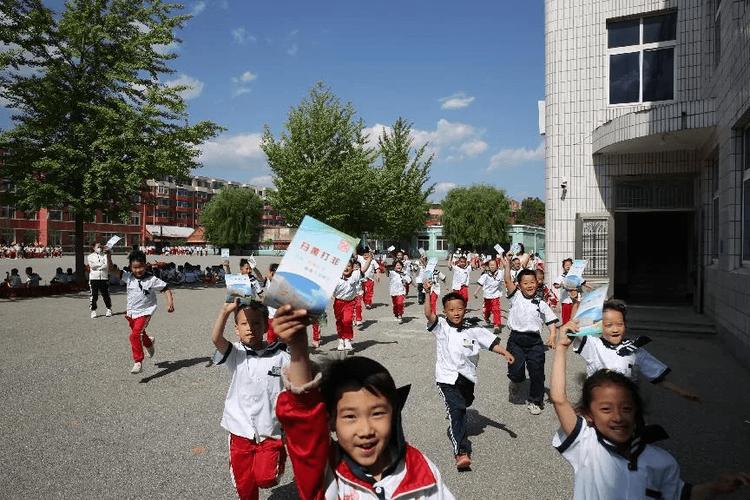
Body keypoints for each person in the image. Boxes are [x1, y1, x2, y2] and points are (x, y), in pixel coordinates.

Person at [272, 305, 456, 499]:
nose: (366, 430)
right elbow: (303, 419)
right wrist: (298, 348)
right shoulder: (325, 472)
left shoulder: (420, 470)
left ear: (394, 413)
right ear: (330, 421)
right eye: (350, 416)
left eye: (377, 413)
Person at [550, 335, 749, 499]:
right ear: (588, 415)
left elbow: (681, 494)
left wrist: (715, 487)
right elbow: (559, 399)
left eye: (626, 408)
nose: (618, 416)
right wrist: (560, 349)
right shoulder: (587, 445)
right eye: (606, 409)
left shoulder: (662, 461)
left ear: (637, 412)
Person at [420, 287, 514, 470]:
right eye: (451, 310)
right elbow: (428, 314)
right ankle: (461, 452)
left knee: (466, 402)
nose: (456, 313)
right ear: (445, 311)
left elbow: (491, 343)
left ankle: (455, 409)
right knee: (458, 410)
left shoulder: (474, 329)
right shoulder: (441, 326)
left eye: (459, 309)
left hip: (467, 377)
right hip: (446, 378)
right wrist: (427, 294)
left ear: (465, 309)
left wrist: (505, 353)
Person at [211, 299, 289, 500]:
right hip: (239, 430)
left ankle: (278, 460)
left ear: (265, 326)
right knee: (244, 484)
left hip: (270, 430)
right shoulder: (235, 353)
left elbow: (300, 373)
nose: (250, 329)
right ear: (236, 329)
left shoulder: (280, 354)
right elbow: (216, 339)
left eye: (256, 323)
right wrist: (226, 310)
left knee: (266, 479)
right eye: (244, 324)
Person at [560, 300, 701, 401]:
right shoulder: (593, 345)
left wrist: (681, 391)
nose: (615, 329)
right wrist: (571, 319)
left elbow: (657, 377)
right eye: (608, 325)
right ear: (599, 327)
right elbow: (573, 332)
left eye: (619, 324)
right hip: (598, 403)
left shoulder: (635, 349)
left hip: (627, 405)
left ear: (625, 325)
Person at [501, 257, 559, 415]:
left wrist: (553, 335)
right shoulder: (515, 296)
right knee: (515, 371)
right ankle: (515, 381)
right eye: (525, 283)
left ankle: (536, 401)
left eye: (532, 282)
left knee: (537, 372)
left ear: (537, 282)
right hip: (516, 340)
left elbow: (551, 320)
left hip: (534, 342)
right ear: (519, 285)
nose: (529, 285)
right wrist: (506, 267)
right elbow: (507, 281)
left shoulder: (541, 303)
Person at [122, 250, 174, 374]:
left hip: (146, 311)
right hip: (132, 311)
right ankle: (149, 343)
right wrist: (107, 255)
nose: (138, 270)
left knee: (134, 335)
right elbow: (111, 269)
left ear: (145, 265)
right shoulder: (128, 277)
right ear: (130, 267)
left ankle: (138, 361)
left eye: (140, 267)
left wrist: (169, 303)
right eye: (135, 267)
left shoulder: (151, 279)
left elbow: (166, 288)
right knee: (139, 332)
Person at [332, 260, 361, 351]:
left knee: (347, 320)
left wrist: (369, 259)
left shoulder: (355, 275)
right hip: (338, 302)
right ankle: (341, 339)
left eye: (348, 266)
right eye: (344, 266)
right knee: (340, 321)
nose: (346, 268)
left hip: (350, 302)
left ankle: (347, 339)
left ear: (352, 268)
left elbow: (363, 269)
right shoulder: (335, 277)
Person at [473, 259, 504, 334]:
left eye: (494, 265)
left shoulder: (500, 273)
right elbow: (480, 284)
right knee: (488, 310)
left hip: (496, 294)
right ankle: (486, 317)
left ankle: (496, 325)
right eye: (491, 265)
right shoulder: (485, 275)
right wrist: (475, 292)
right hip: (487, 295)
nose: (492, 266)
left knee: (496, 309)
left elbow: (505, 278)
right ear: (488, 266)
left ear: (497, 266)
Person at [88, 242, 113, 318]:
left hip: (104, 278)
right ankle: (93, 310)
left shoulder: (105, 255)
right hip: (94, 278)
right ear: (94, 248)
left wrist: (99, 267)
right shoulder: (90, 256)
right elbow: (92, 266)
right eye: (98, 247)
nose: (100, 248)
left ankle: (109, 309)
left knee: (106, 295)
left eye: (101, 247)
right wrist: (101, 265)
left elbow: (107, 265)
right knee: (94, 295)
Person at [262, 263, 280, 343]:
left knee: (271, 338)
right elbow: (260, 278)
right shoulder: (269, 281)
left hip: (274, 317)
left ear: (272, 273)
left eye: (268, 271)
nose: (267, 273)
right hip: (274, 316)